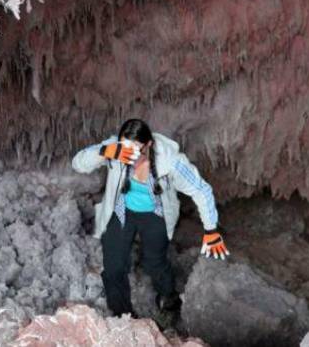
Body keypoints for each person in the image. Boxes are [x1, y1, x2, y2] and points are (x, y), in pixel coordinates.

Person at [71, 118, 228, 318]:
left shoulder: (170, 161)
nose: (132, 158)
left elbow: (201, 189)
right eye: (128, 151)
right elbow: (78, 163)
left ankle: (169, 299)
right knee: (113, 267)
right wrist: (104, 152)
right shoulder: (115, 149)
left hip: (155, 213)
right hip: (121, 210)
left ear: (149, 145)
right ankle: (122, 317)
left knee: (154, 263)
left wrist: (211, 229)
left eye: (138, 151)